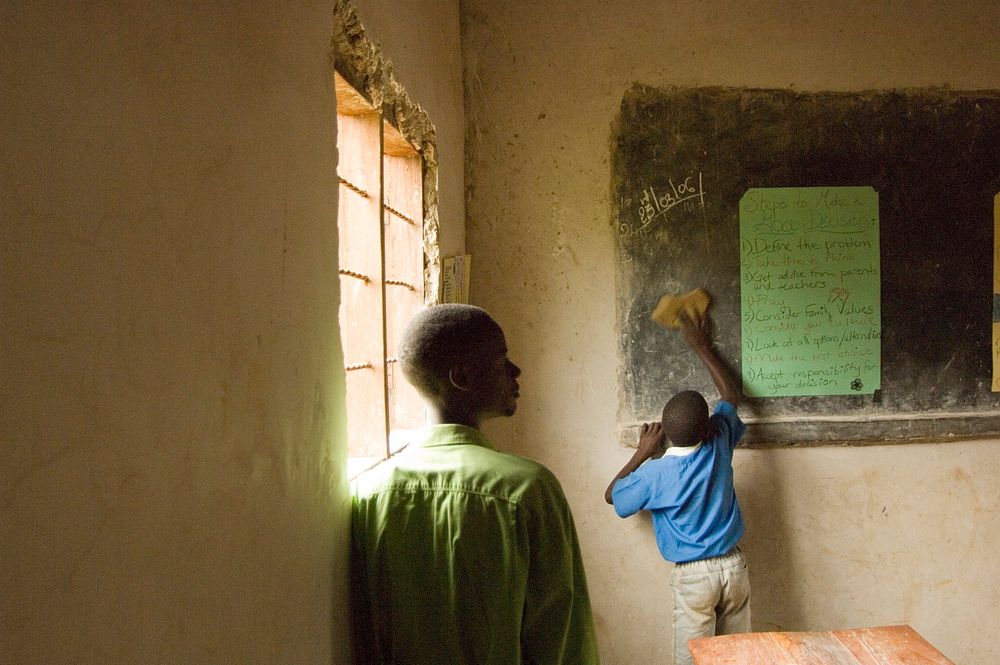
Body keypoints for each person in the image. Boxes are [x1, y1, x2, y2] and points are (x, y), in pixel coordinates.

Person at [351, 304, 600, 665]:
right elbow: (562, 635)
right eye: (501, 363)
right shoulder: (527, 490)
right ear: (463, 377)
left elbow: (367, 634)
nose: (516, 371)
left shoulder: (370, 493)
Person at [604, 310, 750, 665]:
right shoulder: (719, 441)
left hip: (693, 577)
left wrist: (642, 453)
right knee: (740, 656)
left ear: (665, 435)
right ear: (707, 428)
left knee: (691, 659)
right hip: (734, 568)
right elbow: (731, 393)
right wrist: (701, 346)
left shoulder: (656, 474)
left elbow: (613, 495)